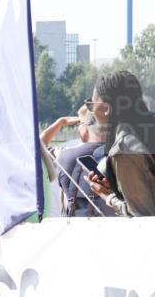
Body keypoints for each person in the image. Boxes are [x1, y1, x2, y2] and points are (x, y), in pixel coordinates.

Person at [87, 70, 155, 217]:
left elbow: (144, 217)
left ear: (106, 108)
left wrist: (107, 196)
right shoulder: (145, 131)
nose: (91, 111)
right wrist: (116, 187)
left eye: (91, 104)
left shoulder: (124, 149)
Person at [42, 106, 113, 217]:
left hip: (76, 226)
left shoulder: (64, 155)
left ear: (85, 128)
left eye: (78, 124)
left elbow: (40, 147)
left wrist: (60, 123)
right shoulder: (123, 156)